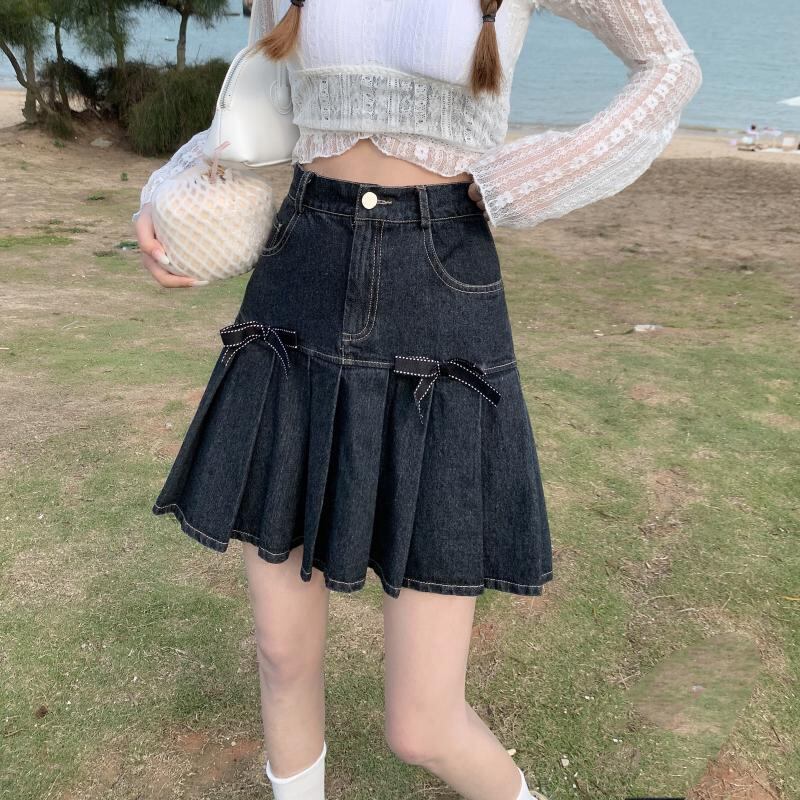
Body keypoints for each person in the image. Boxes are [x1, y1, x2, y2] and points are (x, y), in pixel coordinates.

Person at [133, 1, 701, 798]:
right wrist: (163, 190)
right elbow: (259, 96)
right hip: (300, 273)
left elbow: (668, 64)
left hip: (442, 286)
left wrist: (531, 176)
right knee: (282, 654)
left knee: (423, 726)